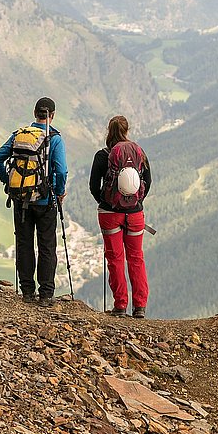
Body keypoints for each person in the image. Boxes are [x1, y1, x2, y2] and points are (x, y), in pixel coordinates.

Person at [0, 96, 67, 307]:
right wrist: (59, 192)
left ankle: (26, 291)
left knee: (24, 243)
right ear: (52, 115)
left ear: (35, 114)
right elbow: (61, 170)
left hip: (21, 200)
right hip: (45, 200)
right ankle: (45, 295)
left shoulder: (19, 136)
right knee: (46, 246)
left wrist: (10, 182)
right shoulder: (55, 139)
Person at [89, 115, 151, 318]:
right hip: (135, 215)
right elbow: (147, 182)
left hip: (109, 214)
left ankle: (120, 305)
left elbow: (93, 185)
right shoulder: (139, 153)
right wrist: (136, 203)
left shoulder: (102, 155)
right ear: (127, 129)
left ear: (109, 131)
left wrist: (105, 202)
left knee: (115, 259)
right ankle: (140, 307)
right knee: (136, 258)